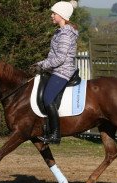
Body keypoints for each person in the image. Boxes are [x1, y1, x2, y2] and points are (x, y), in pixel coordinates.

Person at [35, 0, 79, 144]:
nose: (52, 16)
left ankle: (55, 135)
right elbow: (53, 56)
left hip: (62, 71)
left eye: (54, 13)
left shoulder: (65, 34)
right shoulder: (60, 32)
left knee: (48, 99)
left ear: (62, 15)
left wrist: (43, 65)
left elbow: (60, 58)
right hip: (55, 69)